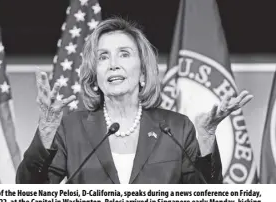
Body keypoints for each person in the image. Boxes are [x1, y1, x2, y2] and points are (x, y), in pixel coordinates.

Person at [16, 18, 253, 184]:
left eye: (124, 54)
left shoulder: (177, 128)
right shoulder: (71, 128)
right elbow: (29, 192)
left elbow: (208, 195)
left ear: (142, 73)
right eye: (103, 56)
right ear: (95, 76)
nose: (113, 64)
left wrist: (206, 137)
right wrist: (46, 132)